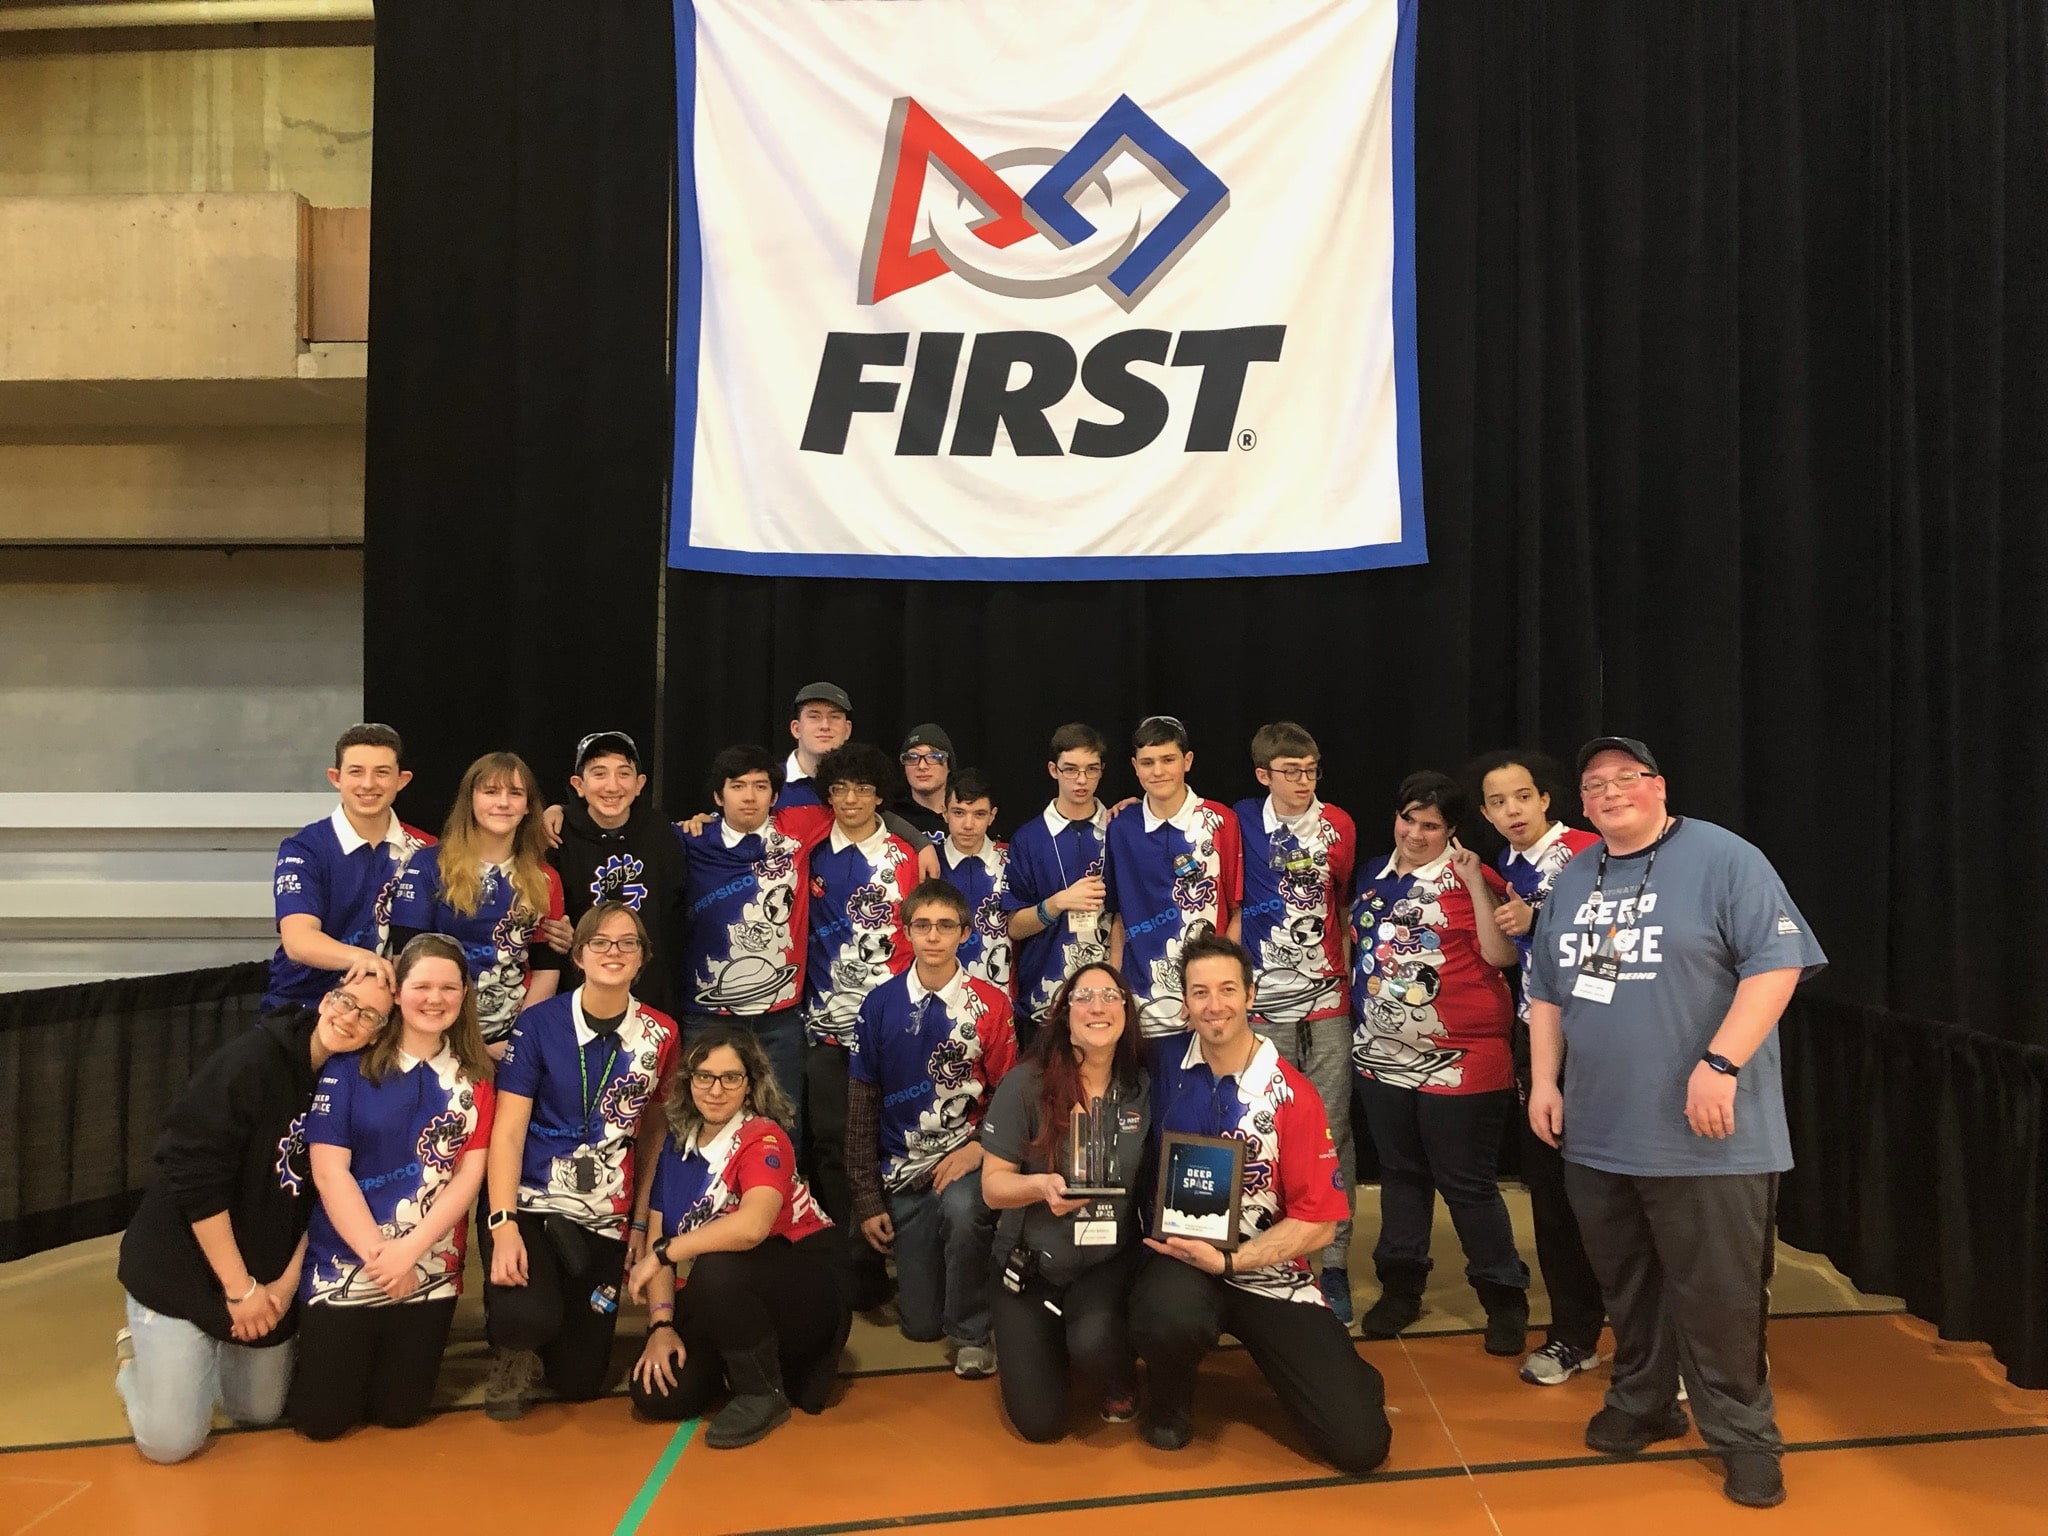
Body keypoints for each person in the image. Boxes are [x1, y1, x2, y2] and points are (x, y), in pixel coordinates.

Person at [1526, 736, 1826, 1510]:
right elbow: (1548, 990)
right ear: (1582, 805)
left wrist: (1720, 1062)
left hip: (1706, 1138)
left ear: (1658, 787)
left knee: (1720, 1300)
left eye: (1626, 777)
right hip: (1599, 1133)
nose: (1610, 791)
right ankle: (1644, 1402)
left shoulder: (1725, 858)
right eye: (1595, 784)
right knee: (1628, 1288)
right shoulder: (1575, 877)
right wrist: (1545, 1081)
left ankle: (1744, 1437)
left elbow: (1777, 965)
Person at [1130, 934, 1391, 1475]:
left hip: (1268, 1271)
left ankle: (1341, 1372)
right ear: (1184, 1002)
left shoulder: (1292, 1093)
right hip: (1180, 1259)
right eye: (1200, 992)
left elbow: (1320, 1224)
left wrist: (1232, 1261)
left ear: (1251, 995)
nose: (1214, 1005)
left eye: (1227, 989)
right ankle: (1170, 1400)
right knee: (1165, 1313)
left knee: (1361, 1447)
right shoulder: (1159, 1062)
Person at [113, 975, 392, 1463]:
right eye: (345, 1001)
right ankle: (138, 1359)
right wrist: (240, 1291)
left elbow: (329, 1201)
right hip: (182, 1269)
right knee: (170, 1443)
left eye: (369, 1015)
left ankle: (195, 1355)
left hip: (265, 1280)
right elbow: (193, 1177)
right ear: (326, 1000)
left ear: (380, 1033)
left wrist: (281, 1289)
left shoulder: (351, 1084)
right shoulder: (253, 1061)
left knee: (257, 1411)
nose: (349, 1017)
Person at [1349, 771, 1530, 1353]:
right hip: (1382, 1056)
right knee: (1401, 1174)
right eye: (1409, 819)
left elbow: (1502, 956)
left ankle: (1503, 1296)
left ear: (1451, 830)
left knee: (1466, 1183)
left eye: (1431, 825)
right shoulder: (1372, 874)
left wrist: (1476, 881)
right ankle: (1401, 1289)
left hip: (1463, 1057)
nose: (1415, 834)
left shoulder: (1474, 875)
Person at [287, 934, 494, 1440]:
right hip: (345, 1264)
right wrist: (381, 1257)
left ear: (464, 994)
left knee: (400, 1412)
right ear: (398, 993)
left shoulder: (478, 1079)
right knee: (322, 1423)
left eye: (449, 987)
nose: (435, 999)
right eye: (422, 986)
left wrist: (410, 1253)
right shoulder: (347, 1068)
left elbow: (468, 1178)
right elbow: (329, 1172)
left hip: (428, 1267)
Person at [480, 902, 680, 1420]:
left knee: (580, 1381)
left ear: (643, 958)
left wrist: (640, 1222)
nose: (614, 952)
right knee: (527, 1318)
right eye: (600, 942)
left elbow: (654, 1133)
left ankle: (553, 1321)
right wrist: (503, 1223)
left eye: (628, 943)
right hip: (533, 1204)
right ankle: (514, 1347)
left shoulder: (662, 1033)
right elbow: (507, 1133)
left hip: (605, 1213)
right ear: (579, 955)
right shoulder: (538, 1024)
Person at [623, 1026, 849, 1448]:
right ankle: (734, 1363)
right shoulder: (677, 1146)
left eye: (730, 1077)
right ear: (688, 1082)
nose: (716, 1089)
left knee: (716, 1267)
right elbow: (658, 1234)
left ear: (750, 1084)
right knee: (658, 1391)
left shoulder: (764, 1137)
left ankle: (762, 1391)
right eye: (704, 1076)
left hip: (805, 1287)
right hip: (732, 1294)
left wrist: (665, 1252)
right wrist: (661, 1325)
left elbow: (751, 1228)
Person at [1470, 748, 1607, 1386]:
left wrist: (1540, 919)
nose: (1512, 811)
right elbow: (1509, 954)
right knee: (1551, 1195)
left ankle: (1666, 1340)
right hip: (1537, 1034)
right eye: (1498, 802)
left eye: (1522, 796)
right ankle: (1575, 1334)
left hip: (1602, 1034)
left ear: (1546, 799)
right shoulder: (1508, 865)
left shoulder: (1589, 848)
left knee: (1624, 1194)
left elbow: (1614, 938)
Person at [847, 879, 1017, 1377]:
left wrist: (980, 1147)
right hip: (903, 1170)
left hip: (967, 1155)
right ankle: (936, 1294)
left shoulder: (992, 1005)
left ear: (965, 933)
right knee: (919, 1326)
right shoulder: (879, 1005)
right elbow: (861, 1106)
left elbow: (1012, 1098)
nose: (934, 936)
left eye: (946, 926)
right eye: (922, 925)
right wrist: (867, 1199)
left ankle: (971, 1332)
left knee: (964, 1211)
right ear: (906, 932)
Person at [980, 963, 1149, 1441]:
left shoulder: (1141, 1086)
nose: (1098, 1006)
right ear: (1064, 1013)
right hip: (1031, 1263)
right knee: (1041, 1425)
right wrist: (1041, 1187)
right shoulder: (1025, 1084)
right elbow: (993, 1187)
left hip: (1105, 1262)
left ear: (1126, 1011)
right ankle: (1037, 1340)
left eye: (1111, 996)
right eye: (1083, 997)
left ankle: (1112, 1367)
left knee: (1094, 1340)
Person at [1234, 721, 1360, 1322]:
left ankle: (1333, 1262)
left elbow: (1341, 903)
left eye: (1311, 770)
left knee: (1332, 1133)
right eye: (1290, 772)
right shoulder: (1238, 821)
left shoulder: (1340, 824)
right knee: (1266, 1133)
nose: (1304, 782)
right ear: (1264, 775)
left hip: (1328, 1007)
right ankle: (1272, 1256)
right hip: (1265, 1011)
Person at [800, 741, 921, 1308]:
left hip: (889, 1028)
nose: (851, 800)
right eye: (840, 789)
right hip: (825, 1027)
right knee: (830, 1144)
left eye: (863, 789)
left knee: (887, 1140)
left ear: (880, 796)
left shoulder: (907, 855)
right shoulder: (808, 849)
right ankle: (845, 1260)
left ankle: (891, 1254)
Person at [388, 751, 566, 1056]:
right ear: (470, 800)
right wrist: (443, 1038)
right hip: (437, 1032)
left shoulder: (545, 878)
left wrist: (517, 1041)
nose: (503, 803)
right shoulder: (429, 865)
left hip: (509, 1037)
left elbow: (546, 970)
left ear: (528, 806)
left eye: (515, 793)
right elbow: (404, 960)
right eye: (491, 791)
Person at [675, 744, 810, 1118]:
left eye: (760, 786)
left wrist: (918, 841)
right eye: (737, 786)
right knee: (701, 1119)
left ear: (775, 796)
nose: (749, 796)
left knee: (782, 1120)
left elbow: (861, 811)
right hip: (707, 1014)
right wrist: (559, 813)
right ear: (718, 796)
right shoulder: (688, 838)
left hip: (780, 1016)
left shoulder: (799, 829)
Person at [262, 722, 431, 1016]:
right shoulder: (304, 849)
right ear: (336, 778)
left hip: (392, 1012)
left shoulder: (426, 851)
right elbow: (298, 941)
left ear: (402, 780)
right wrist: (364, 959)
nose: (368, 784)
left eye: (381, 772)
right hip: (305, 1007)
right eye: (356, 772)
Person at [1104, 715, 1243, 1039]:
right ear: (1135, 767)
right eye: (1148, 762)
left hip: (1207, 1007)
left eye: (1168, 760)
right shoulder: (1120, 827)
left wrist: (1214, 991)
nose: (1158, 771)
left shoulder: (1220, 821)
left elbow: (1237, 913)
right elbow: (1119, 918)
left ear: (1187, 761)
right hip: (1141, 1003)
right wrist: (1114, 988)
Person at [552, 730, 690, 1016]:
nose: (612, 786)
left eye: (623, 773)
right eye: (599, 773)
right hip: (580, 996)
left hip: (651, 996)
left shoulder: (661, 832)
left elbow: (676, 911)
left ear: (639, 784)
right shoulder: (556, 838)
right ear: (579, 785)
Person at [1003, 723, 1113, 1034]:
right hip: (1046, 1001)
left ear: (1102, 770)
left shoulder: (1119, 829)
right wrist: (1057, 903)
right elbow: (1014, 927)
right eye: (1071, 769)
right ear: (1053, 770)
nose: (1082, 780)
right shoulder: (1029, 839)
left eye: (1091, 769)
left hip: (1107, 999)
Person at [936, 768, 1012, 997]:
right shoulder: (927, 863)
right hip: (938, 993)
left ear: (992, 815)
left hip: (1002, 995)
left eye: (979, 814)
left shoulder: (1013, 861)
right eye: (959, 813)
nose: (968, 825)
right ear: (944, 812)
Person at [893, 723, 955, 844]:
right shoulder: (891, 819)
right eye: (912, 757)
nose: (922, 766)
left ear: (949, 766)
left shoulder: (967, 816)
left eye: (933, 756)